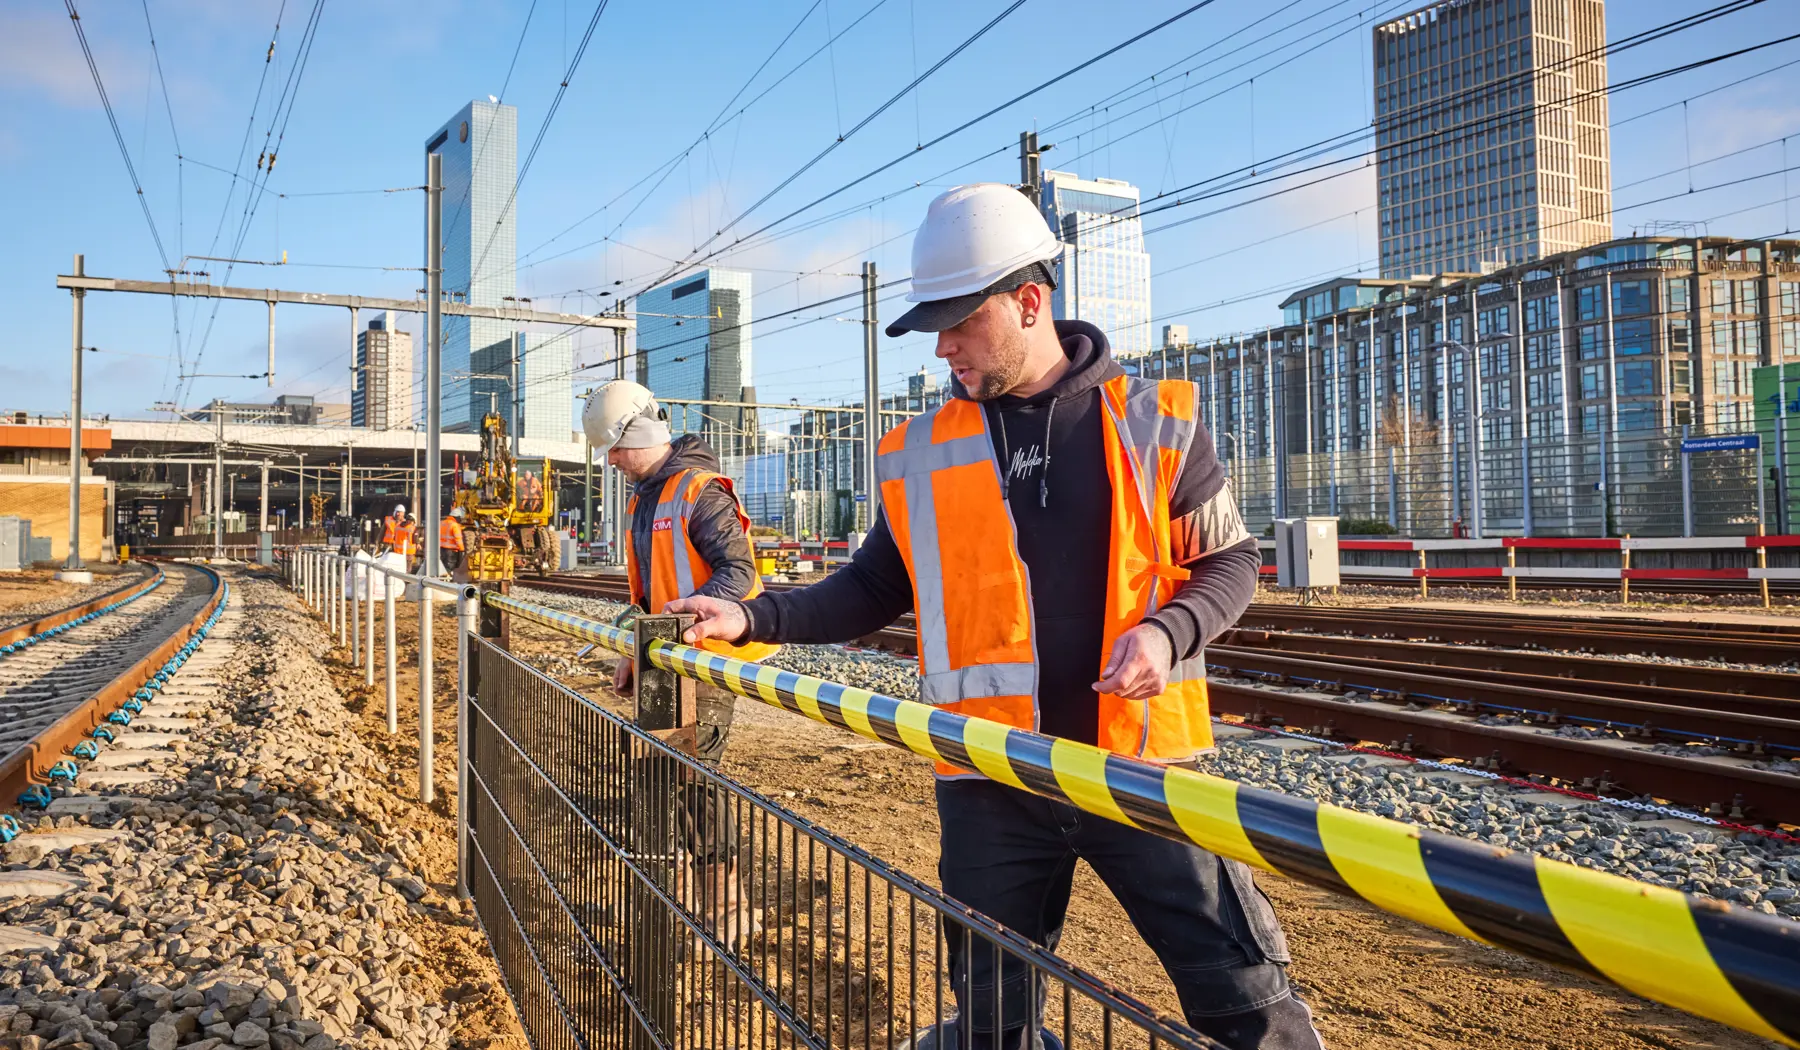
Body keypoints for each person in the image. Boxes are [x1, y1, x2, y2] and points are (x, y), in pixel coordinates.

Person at [668, 184, 1322, 1050]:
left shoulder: (1154, 422)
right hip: (990, 775)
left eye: (958, 323)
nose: (942, 346)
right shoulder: (924, 451)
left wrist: (1168, 634)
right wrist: (751, 618)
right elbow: (872, 587)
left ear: (1028, 302)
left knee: (1246, 1004)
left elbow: (1230, 561)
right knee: (992, 1024)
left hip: (1140, 767)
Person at [580, 378, 781, 938]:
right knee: (659, 779)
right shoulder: (645, 498)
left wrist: (683, 623)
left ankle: (725, 909)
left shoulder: (699, 491)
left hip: (706, 660)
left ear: (636, 434)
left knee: (693, 781)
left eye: (614, 450)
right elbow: (649, 593)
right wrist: (636, 646)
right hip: (665, 658)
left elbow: (737, 575)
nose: (612, 461)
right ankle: (680, 901)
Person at [439, 507, 467, 575]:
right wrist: (462, 549)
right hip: (451, 551)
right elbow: (458, 539)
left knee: (442, 567)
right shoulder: (454, 525)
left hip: (441, 549)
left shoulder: (441, 523)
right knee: (449, 568)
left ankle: (441, 579)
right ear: (457, 517)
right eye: (460, 518)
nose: (460, 520)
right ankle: (448, 579)